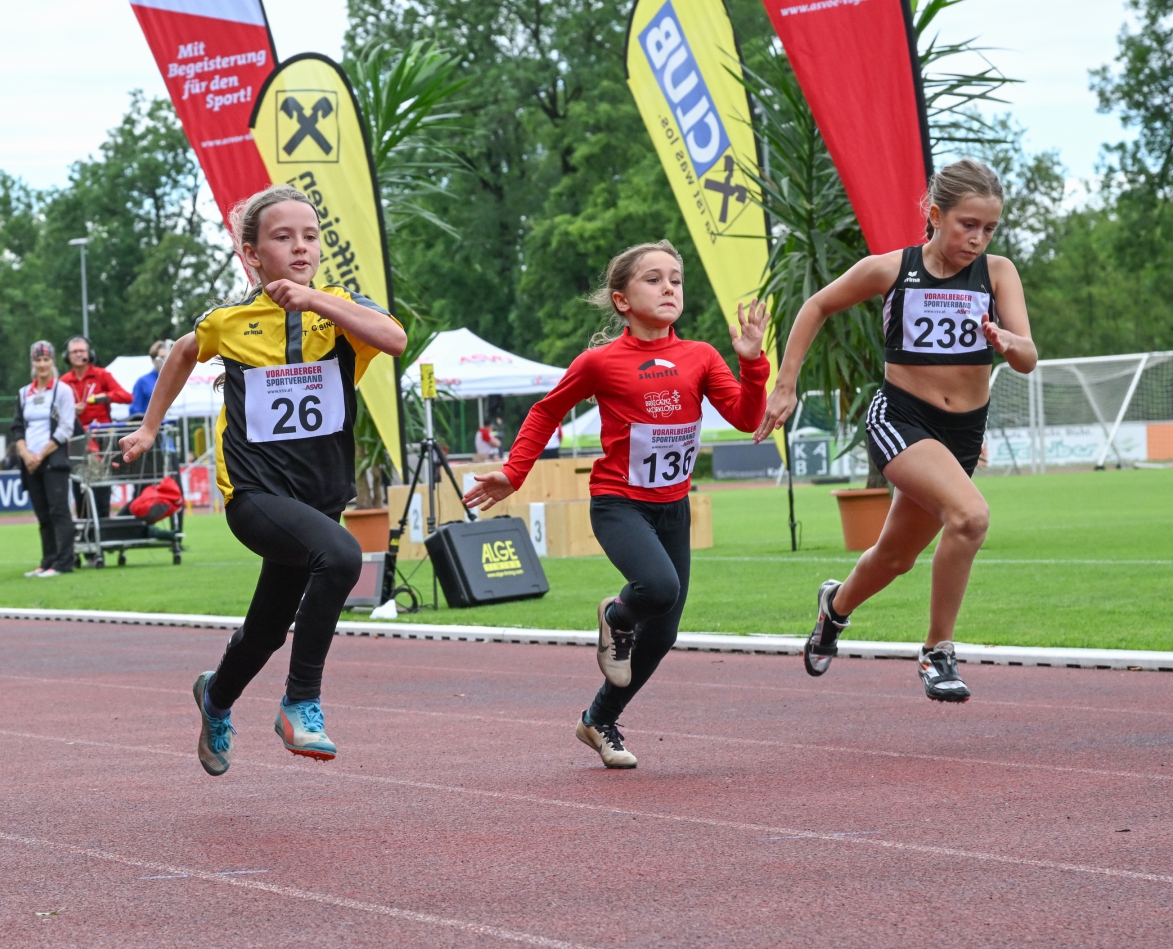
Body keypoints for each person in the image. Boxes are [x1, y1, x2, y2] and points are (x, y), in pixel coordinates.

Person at [121, 184, 407, 775]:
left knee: (268, 629)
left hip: (317, 497)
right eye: (283, 237)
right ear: (252, 254)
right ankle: (301, 702)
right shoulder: (230, 322)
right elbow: (182, 353)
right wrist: (149, 429)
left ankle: (215, 695)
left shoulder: (340, 311)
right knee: (341, 556)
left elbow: (395, 339)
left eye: (311, 236)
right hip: (253, 496)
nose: (301, 247)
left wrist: (315, 301)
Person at [464, 240, 770, 769]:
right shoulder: (599, 363)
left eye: (676, 279)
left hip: (672, 507)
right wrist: (514, 472)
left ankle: (599, 718)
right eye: (654, 279)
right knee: (659, 588)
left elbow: (746, 418)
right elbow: (546, 411)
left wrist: (752, 363)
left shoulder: (700, 356)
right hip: (618, 503)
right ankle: (615, 614)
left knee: (665, 630)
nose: (669, 287)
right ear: (622, 299)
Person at [755, 159, 1038, 702]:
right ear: (935, 215)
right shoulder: (891, 269)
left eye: (989, 228)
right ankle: (938, 651)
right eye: (967, 225)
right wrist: (785, 385)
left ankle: (834, 607)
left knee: (894, 557)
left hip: (961, 432)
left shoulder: (998, 273)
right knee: (970, 516)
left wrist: (1007, 342)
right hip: (901, 418)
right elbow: (816, 305)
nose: (977, 239)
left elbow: (1028, 358)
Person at [11, 340, 77, 578]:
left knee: (59, 511)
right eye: (37, 360)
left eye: (46, 359)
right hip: (30, 462)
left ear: (53, 361)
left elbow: (66, 427)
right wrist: (26, 454)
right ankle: (47, 560)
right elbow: (18, 427)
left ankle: (64, 562)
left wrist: (41, 454)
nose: (42, 364)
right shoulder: (24, 394)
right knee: (42, 514)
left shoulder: (62, 391)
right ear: (32, 362)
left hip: (54, 460)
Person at [61, 336, 133, 429]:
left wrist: (106, 396)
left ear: (89, 354)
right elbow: (55, 408)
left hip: (101, 432)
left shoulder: (102, 374)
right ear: (67, 356)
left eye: (82, 351)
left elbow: (128, 397)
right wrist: (71, 408)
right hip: (75, 432)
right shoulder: (64, 381)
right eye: (74, 352)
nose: (78, 354)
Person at [130, 339, 171, 418]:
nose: (164, 361)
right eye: (161, 357)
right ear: (153, 360)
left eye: (166, 357)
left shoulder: (169, 380)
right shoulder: (142, 382)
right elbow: (135, 411)